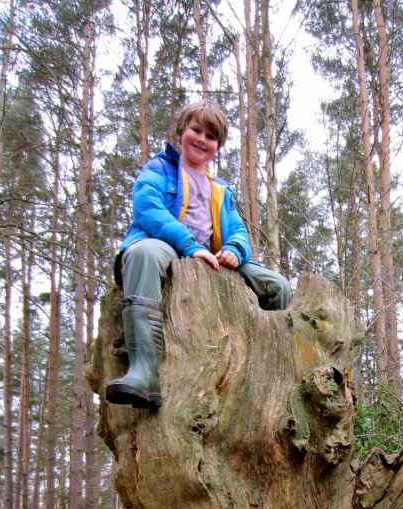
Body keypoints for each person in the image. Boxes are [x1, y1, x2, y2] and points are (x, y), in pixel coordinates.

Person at [106, 100, 291, 409]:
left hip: (211, 259)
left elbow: (237, 230)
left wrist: (234, 250)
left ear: (218, 145)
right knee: (142, 255)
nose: (202, 139)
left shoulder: (220, 190)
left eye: (211, 136)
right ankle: (144, 372)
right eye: (196, 130)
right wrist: (190, 245)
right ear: (182, 131)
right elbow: (148, 209)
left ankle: (270, 382)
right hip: (167, 247)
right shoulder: (160, 169)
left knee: (277, 287)